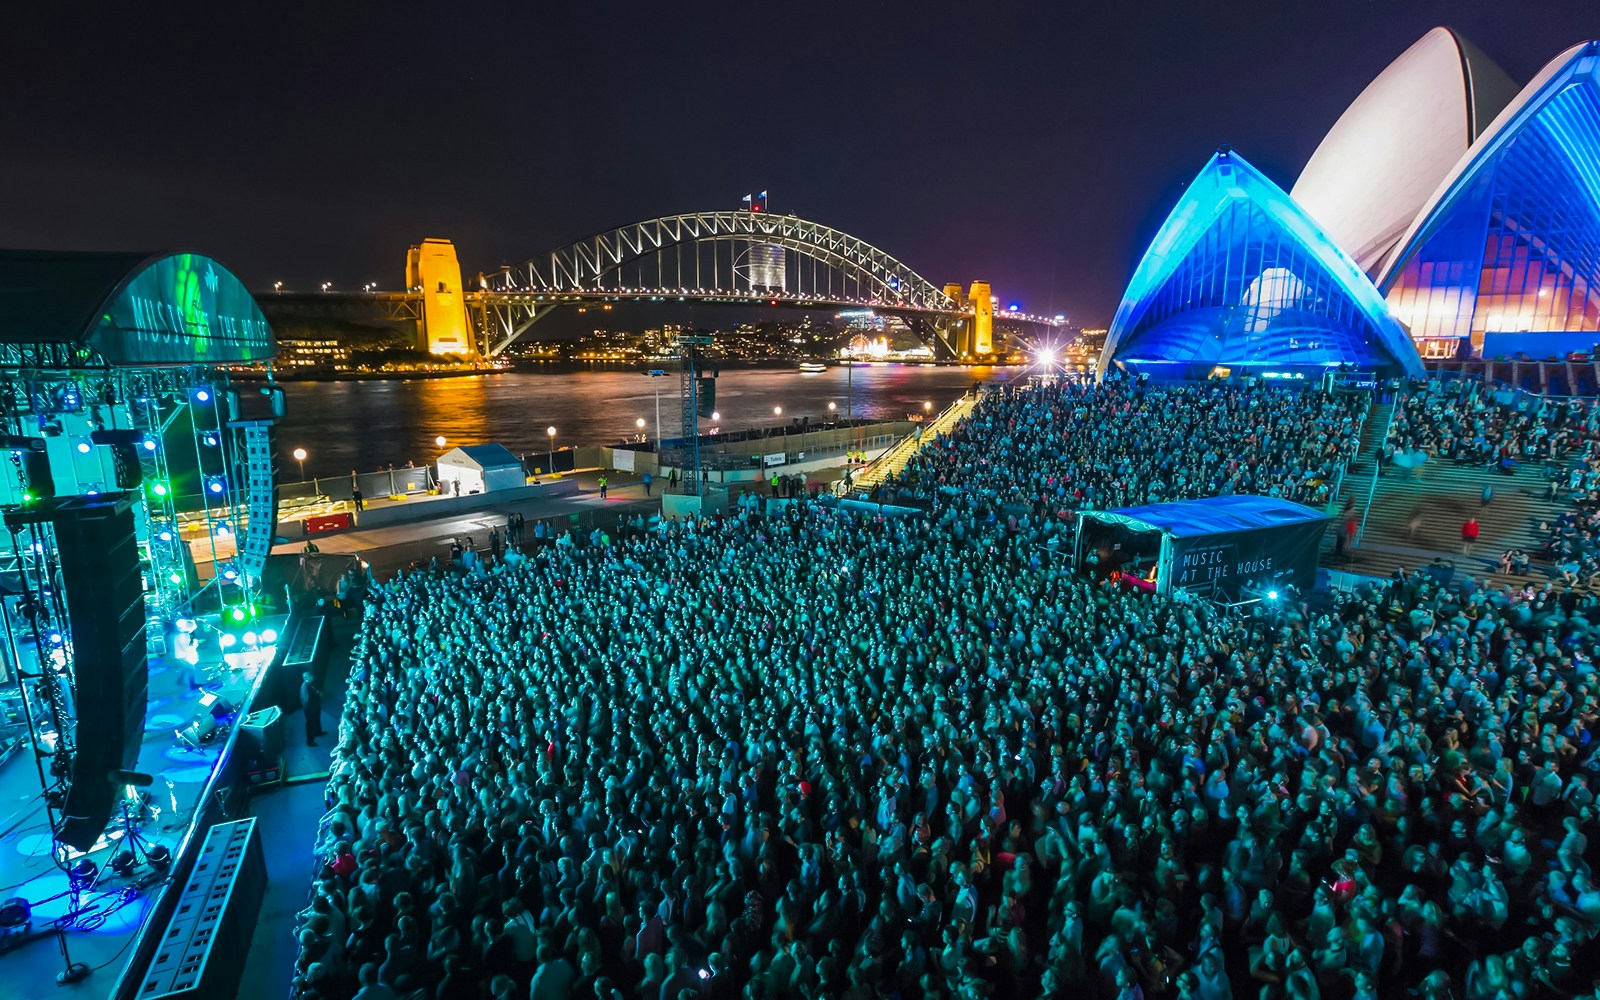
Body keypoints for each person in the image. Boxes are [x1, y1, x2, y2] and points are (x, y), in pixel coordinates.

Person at [300, 671, 324, 747]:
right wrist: (318, 696)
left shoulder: (310, 684)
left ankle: (318, 732)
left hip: (315, 707)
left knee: (317, 720)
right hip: (311, 710)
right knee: (311, 724)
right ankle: (310, 741)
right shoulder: (305, 688)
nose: (313, 677)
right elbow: (307, 700)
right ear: (308, 678)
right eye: (311, 676)